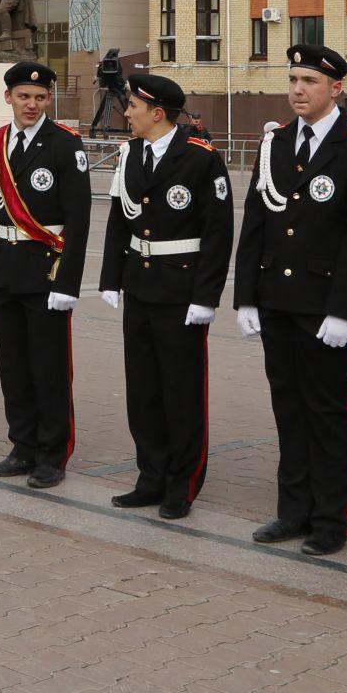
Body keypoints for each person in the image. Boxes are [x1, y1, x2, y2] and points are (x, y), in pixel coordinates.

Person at [234, 44, 347, 554]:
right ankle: (292, 510)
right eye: (294, 80)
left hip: (325, 306)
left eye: (310, 82)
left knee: (328, 412)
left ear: (337, 89)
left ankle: (329, 518)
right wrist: (247, 296)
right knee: (288, 407)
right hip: (278, 296)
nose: (299, 90)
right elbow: (255, 222)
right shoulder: (275, 141)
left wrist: (345, 309)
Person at [98, 72, 234, 517]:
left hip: (181, 289)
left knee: (181, 390)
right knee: (143, 389)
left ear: (157, 113)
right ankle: (150, 475)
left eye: (133, 106)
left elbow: (218, 233)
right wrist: (110, 279)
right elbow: (120, 219)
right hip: (140, 284)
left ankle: (182, 482)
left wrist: (206, 297)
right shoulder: (131, 154)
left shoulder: (199, 158)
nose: (127, 113)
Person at [0, 59, 92, 490]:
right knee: (14, 366)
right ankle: (21, 446)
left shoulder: (64, 145)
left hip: (45, 271)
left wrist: (68, 285)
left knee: (48, 367)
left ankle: (51, 453)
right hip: (4, 267)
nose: (32, 104)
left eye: (40, 97)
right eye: (24, 96)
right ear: (8, 98)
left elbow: (79, 220)